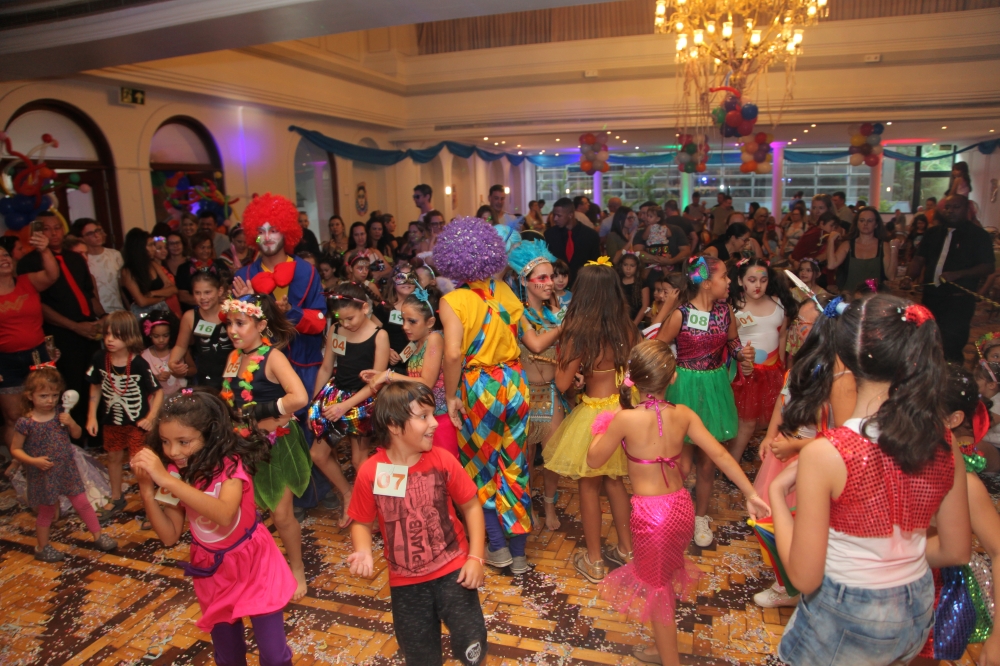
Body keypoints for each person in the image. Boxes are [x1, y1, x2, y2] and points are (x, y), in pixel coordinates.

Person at [770, 294, 971, 666]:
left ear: (844, 358)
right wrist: (895, 562)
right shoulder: (943, 441)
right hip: (916, 604)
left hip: (848, 611)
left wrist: (777, 495)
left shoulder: (829, 452)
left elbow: (803, 577)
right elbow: (957, 549)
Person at [588, 340, 769, 666]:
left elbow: (593, 459)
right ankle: (660, 647)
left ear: (633, 379)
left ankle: (669, 659)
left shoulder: (626, 420)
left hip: (651, 517)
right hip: (681, 508)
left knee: (657, 589)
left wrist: (604, 426)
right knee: (665, 579)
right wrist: (751, 494)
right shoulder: (683, 414)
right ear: (673, 378)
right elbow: (719, 454)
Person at [132, 390, 297, 666]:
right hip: (213, 571)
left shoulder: (231, 465)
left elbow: (224, 514)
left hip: (255, 563)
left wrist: (168, 480)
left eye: (183, 442)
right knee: (228, 656)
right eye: (165, 442)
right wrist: (148, 491)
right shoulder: (175, 472)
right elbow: (170, 536)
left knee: (273, 655)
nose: (173, 452)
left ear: (210, 434)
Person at [347, 381, 488, 666]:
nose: (434, 423)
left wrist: (476, 557)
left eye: (432, 414)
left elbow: (471, 506)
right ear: (394, 425)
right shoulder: (371, 472)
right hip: (406, 584)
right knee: (420, 656)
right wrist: (362, 550)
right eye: (423, 416)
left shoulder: (443, 460)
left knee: (472, 646)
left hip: (454, 573)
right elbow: (361, 522)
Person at [437, 217, 533, 574]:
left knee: (481, 465)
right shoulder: (504, 291)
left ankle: (498, 548)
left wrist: (450, 396)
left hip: (481, 386)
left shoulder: (452, 300)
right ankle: (519, 554)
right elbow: (524, 337)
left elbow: (452, 354)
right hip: (515, 381)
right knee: (514, 464)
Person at [752, 295, 856, 608]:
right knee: (774, 520)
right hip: (785, 453)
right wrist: (771, 435)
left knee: (801, 526)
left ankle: (794, 586)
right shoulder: (804, 365)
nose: (797, 329)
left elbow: (844, 442)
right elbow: (783, 401)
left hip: (808, 460)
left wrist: (795, 445)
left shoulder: (841, 379)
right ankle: (788, 578)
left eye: (804, 324)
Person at [544, 260, 637, 582]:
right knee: (616, 481)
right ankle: (627, 550)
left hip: (595, 415)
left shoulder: (579, 334)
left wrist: (572, 369)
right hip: (624, 411)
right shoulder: (627, 329)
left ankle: (595, 560)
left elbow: (562, 383)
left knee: (588, 484)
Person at [217, 294, 311, 601]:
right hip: (242, 445)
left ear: (260, 325)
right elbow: (230, 399)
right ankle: (254, 567)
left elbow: (299, 397)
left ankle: (297, 569)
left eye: (240, 323)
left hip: (275, 445)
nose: (232, 330)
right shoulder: (233, 357)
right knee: (246, 512)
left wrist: (260, 411)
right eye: (230, 323)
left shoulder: (273, 357)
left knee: (281, 515)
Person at [656, 257, 751, 548]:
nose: (729, 282)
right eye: (725, 277)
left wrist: (742, 354)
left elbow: (733, 342)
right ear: (707, 283)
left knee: (708, 463)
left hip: (714, 388)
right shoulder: (680, 315)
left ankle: (701, 517)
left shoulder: (725, 312)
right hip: (684, 389)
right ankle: (674, 512)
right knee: (683, 462)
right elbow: (658, 347)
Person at [910, 366, 1000, 662]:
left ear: (954, 419)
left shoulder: (965, 484)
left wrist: (998, 637)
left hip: (933, 598)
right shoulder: (894, 459)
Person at [12, 366, 118, 561]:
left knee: (82, 503)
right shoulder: (26, 423)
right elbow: (15, 449)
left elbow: (77, 435)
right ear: (29, 395)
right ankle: (42, 547)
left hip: (67, 469)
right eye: (44, 396)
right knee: (47, 511)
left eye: (54, 395)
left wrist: (71, 423)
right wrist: (34, 461)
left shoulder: (61, 413)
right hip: (43, 473)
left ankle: (98, 536)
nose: (50, 400)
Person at [309, 282, 390, 527]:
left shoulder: (379, 335)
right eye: (340, 319)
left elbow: (376, 382)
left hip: (363, 401)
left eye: (350, 318)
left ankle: (370, 508)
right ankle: (347, 493)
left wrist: (346, 407)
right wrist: (315, 405)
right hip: (336, 396)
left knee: (359, 460)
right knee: (317, 454)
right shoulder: (336, 329)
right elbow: (326, 367)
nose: (345, 324)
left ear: (364, 308)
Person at [233, 193, 328, 401]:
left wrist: (290, 312)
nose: (267, 237)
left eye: (274, 230)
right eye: (261, 231)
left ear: (286, 231)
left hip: (303, 366)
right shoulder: (243, 277)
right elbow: (235, 333)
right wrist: (245, 306)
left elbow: (319, 322)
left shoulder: (307, 272)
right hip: (259, 370)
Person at [19, 211, 107, 434]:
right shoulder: (29, 262)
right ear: (38, 232)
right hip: (62, 333)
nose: (54, 233)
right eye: (47, 229)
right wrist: (75, 326)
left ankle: (97, 437)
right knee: (70, 388)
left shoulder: (75, 258)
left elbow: (88, 293)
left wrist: (102, 318)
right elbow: (39, 305)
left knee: (95, 383)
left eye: (57, 227)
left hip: (89, 330)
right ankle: (73, 440)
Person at [506, 239, 565, 531]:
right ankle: (527, 506)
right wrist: (564, 326)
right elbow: (536, 345)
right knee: (525, 458)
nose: (549, 282)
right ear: (524, 281)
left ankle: (550, 505)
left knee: (552, 456)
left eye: (551, 277)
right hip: (525, 393)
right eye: (542, 277)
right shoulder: (518, 314)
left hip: (551, 392)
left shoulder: (553, 313)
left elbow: (559, 351)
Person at [361, 284, 458, 459]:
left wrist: (388, 375)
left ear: (430, 322)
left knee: (443, 467)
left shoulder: (434, 338)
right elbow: (414, 378)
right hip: (421, 417)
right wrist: (380, 374)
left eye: (412, 321)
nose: (405, 326)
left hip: (438, 419)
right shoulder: (415, 342)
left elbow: (426, 383)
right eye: (403, 320)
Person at [85, 311, 163, 522]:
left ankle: (150, 504)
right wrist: (91, 416)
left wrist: (151, 417)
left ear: (129, 336)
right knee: (113, 457)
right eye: (107, 334)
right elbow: (95, 385)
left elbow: (158, 392)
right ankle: (117, 497)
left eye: (117, 335)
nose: (110, 340)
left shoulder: (138, 364)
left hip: (137, 424)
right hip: (111, 421)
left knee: (140, 463)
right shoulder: (99, 358)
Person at [906, 195, 994, 361]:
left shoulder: (978, 235)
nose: (950, 211)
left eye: (956, 207)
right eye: (947, 207)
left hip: (959, 300)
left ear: (966, 209)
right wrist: (909, 277)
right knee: (926, 343)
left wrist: (959, 274)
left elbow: (988, 266)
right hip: (931, 297)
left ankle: (952, 375)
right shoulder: (933, 233)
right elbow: (919, 259)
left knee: (951, 346)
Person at [728, 258, 798, 463]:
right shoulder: (733, 308)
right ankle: (730, 465)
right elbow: (727, 342)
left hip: (772, 371)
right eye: (752, 280)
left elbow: (782, 336)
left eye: (763, 280)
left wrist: (782, 368)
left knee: (764, 419)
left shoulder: (779, 304)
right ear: (740, 281)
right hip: (744, 372)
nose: (758, 285)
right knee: (746, 421)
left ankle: (736, 454)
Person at [0, 231, 59, 454]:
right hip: (5, 362)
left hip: (38, 355)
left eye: (6, 255)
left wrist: (44, 249)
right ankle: (20, 464)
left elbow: (52, 275)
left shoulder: (27, 281)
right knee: (14, 416)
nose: (4, 259)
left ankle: (53, 455)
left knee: (48, 408)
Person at [168, 270, 233, 390]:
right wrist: (172, 363)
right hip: (205, 377)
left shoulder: (231, 312)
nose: (202, 297)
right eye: (197, 293)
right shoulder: (190, 317)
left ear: (219, 291)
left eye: (207, 292)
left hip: (233, 374)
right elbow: (181, 346)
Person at [827, 206, 899, 294]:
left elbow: (891, 276)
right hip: (850, 297)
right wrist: (830, 241)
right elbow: (831, 265)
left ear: (876, 224)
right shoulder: (847, 244)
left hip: (873, 298)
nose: (865, 223)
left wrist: (894, 249)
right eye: (862, 220)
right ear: (857, 223)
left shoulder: (883, 246)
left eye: (870, 221)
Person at [121, 228, 178, 317]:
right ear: (139, 247)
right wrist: (163, 297)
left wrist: (152, 293)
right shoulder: (127, 271)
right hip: (143, 315)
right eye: (150, 245)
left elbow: (173, 289)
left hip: (162, 310)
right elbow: (142, 302)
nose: (154, 249)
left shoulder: (153, 264)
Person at [545, 197, 601, 286]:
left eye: (559, 216)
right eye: (554, 215)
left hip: (583, 285)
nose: (555, 219)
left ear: (570, 215)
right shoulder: (550, 235)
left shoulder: (590, 235)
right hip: (557, 285)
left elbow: (595, 264)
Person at [73, 218, 123, 313]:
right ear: (81, 238)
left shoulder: (115, 254)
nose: (96, 235)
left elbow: (122, 286)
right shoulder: (82, 258)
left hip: (118, 309)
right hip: (95, 312)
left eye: (97, 231)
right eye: (90, 233)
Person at [141, 313, 189, 398]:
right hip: (157, 397)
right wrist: (156, 377)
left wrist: (182, 372)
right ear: (149, 335)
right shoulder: (144, 355)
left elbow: (194, 370)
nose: (161, 340)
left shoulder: (179, 350)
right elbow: (142, 377)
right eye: (156, 336)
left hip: (181, 395)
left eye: (165, 335)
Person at [637, 208, 692, 284]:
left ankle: (647, 274)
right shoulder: (664, 227)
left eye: (650, 216)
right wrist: (663, 235)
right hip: (664, 247)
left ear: (658, 218)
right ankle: (666, 273)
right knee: (664, 259)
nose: (647, 218)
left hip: (653, 247)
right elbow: (669, 234)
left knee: (653, 261)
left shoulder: (650, 227)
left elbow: (644, 237)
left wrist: (649, 235)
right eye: (647, 216)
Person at [790, 212, 839, 283]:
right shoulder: (821, 233)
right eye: (831, 226)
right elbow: (834, 238)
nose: (833, 230)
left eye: (835, 227)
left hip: (800, 264)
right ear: (822, 223)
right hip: (803, 266)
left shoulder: (813, 230)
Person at [617, 253, 648, 326]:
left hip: (637, 323)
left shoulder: (642, 283)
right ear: (621, 265)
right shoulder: (617, 282)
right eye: (625, 265)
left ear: (637, 267)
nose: (628, 268)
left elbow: (645, 307)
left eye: (632, 266)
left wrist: (634, 325)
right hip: (619, 323)